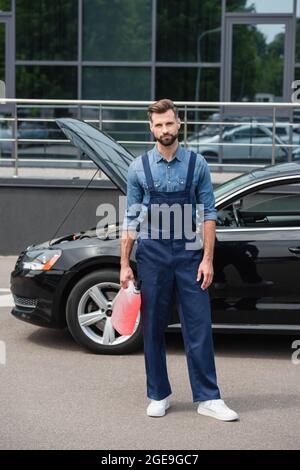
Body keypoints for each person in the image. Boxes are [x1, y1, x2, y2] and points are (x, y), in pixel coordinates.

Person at [120, 99, 238, 421]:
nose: (164, 130)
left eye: (169, 123)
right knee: (154, 327)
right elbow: (130, 218)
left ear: (179, 123)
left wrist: (208, 259)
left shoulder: (197, 164)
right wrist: (124, 264)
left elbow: (209, 213)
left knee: (198, 325)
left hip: (189, 252)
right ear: (151, 128)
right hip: (153, 253)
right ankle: (159, 394)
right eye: (158, 125)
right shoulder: (138, 168)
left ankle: (208, 398)